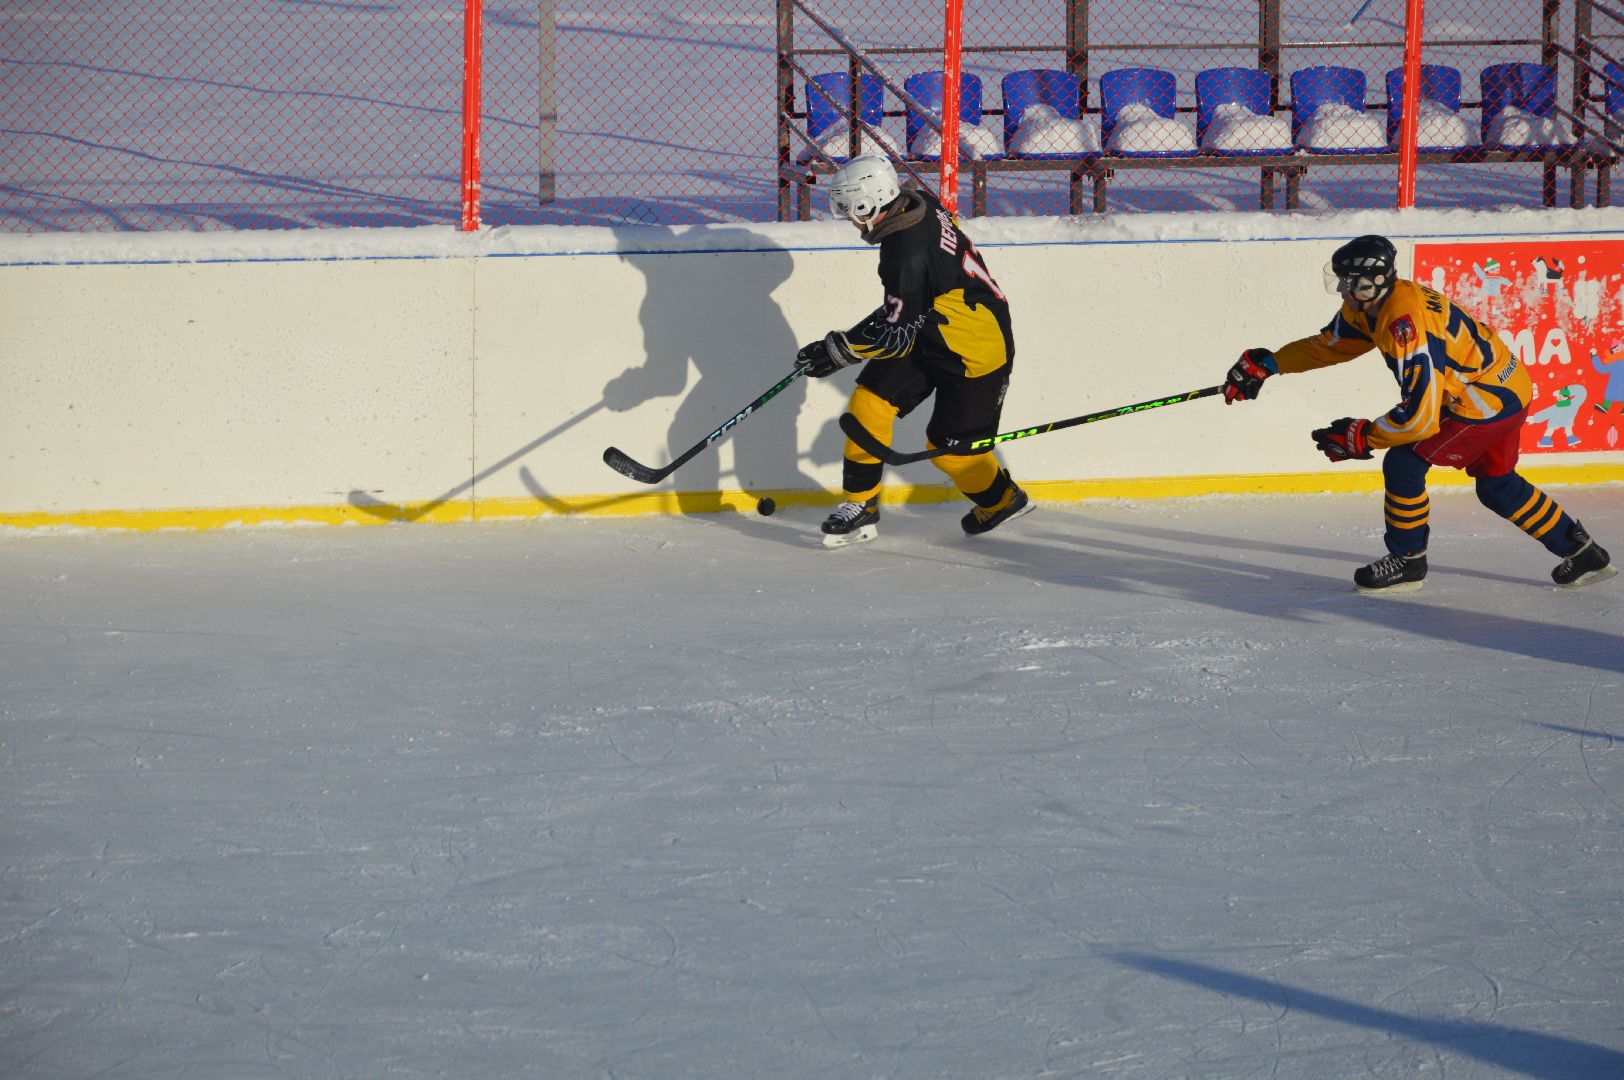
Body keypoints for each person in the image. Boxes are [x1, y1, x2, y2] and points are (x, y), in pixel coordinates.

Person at [1223, 234, 1614, 592]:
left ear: (1368, 283)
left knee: (1404, 463)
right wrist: (1270, 363)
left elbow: (1421, 417)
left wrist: (1364, 437)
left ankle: (1408, 562)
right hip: (1506, 388)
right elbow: (1330, 345)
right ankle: (1584, 556)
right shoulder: (1373, 304)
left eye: (1346, 280)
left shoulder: (1403, 324)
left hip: (1484, 402)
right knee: (1497, 486)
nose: (1340, 287)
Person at [797, 154, 1031, 548]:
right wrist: (844, 344)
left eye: (847, 206)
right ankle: (861, 506)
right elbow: (908, 305)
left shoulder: (905, 253)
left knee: (950, 455)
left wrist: (840, 350)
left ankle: (1003, 501)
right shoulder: (917, 201)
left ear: (867, 203)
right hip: (932, 329)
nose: (847, 217)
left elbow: (894, 332)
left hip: (975, 350)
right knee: (869, 403)